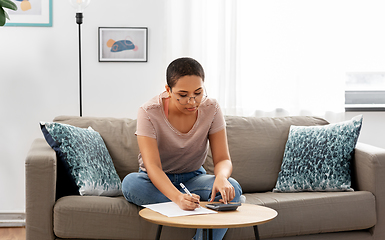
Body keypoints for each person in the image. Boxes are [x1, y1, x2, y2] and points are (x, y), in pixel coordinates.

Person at [122, 57, 242, 240]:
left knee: (232, 189)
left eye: (198, 93)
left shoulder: (212, 108)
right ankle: (196, 206)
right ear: (168, 90)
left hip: (194, 178)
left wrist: (221, 178)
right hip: (153, 181)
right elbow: (153, 166)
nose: (192, 102)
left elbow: (223, 159)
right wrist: (177, 198)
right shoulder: (148, 112)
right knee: (130, 184)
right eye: (183, 95)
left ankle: (195, 217)